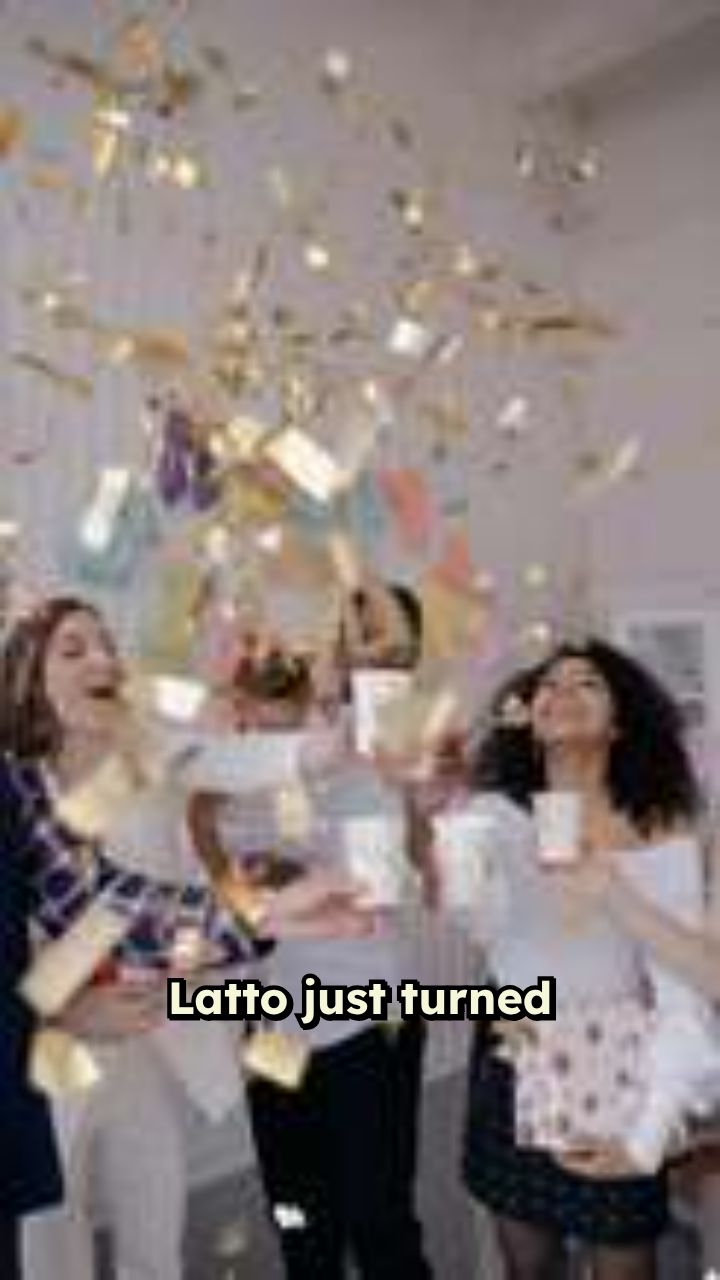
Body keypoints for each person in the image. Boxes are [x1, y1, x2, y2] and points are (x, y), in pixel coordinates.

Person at [0, 596, 371, 1280]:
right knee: (50, 1240)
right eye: (73, 649)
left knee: (154, 1225)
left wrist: (329, 733)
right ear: (28, 676)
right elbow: (83, 914)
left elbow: (241, 763)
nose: (102, 659)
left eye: (106, 644)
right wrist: (63, 1009)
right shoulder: (19, 784)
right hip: (45, 1046)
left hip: (146, 1030)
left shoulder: (144, 749)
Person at [436, 639, 720, 1280]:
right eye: (548, 684)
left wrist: (652, 1130)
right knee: (528, 1262)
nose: (561, 692)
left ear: (619, 723)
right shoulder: (490, 814)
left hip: (617, 1063)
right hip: (516, 1048)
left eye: (587, 682)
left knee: (623, 1259)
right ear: (529, 720)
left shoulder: (658, 825)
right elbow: (478, 927)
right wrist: (446, 828)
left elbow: (690, 986)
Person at [188, 643, 432, 1280]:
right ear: (237, 703)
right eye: (255, 704)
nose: (278, 724)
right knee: (297, 1215)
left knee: (379, 1217)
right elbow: (226, 901)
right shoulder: (217, 776)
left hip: (369, 1015)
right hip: (272, 1024)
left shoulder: (363, 758)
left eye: (294, 703)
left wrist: (295, 881)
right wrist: (251, 880)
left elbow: (391, 882)